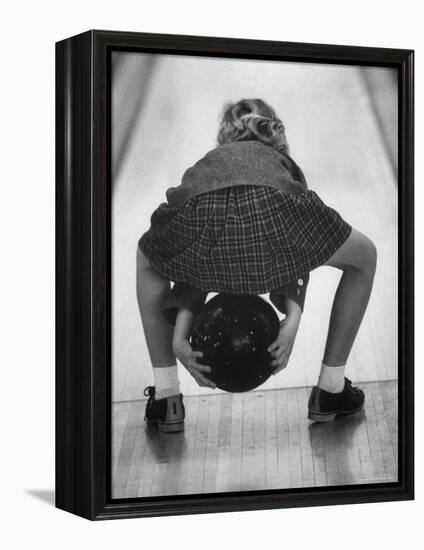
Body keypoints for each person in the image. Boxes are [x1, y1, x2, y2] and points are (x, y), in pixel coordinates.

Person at [136, 99, 377, 432]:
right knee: (364, 259)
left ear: (225, 138)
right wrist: (292, 317)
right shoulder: (282, 163)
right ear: (273, 133)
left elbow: (196, 257)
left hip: (198, 214)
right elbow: (294, 244)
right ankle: (331, 388)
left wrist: (181, 335)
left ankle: (166, 397)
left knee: (148, 258)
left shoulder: (210, 163)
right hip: (275, 210)